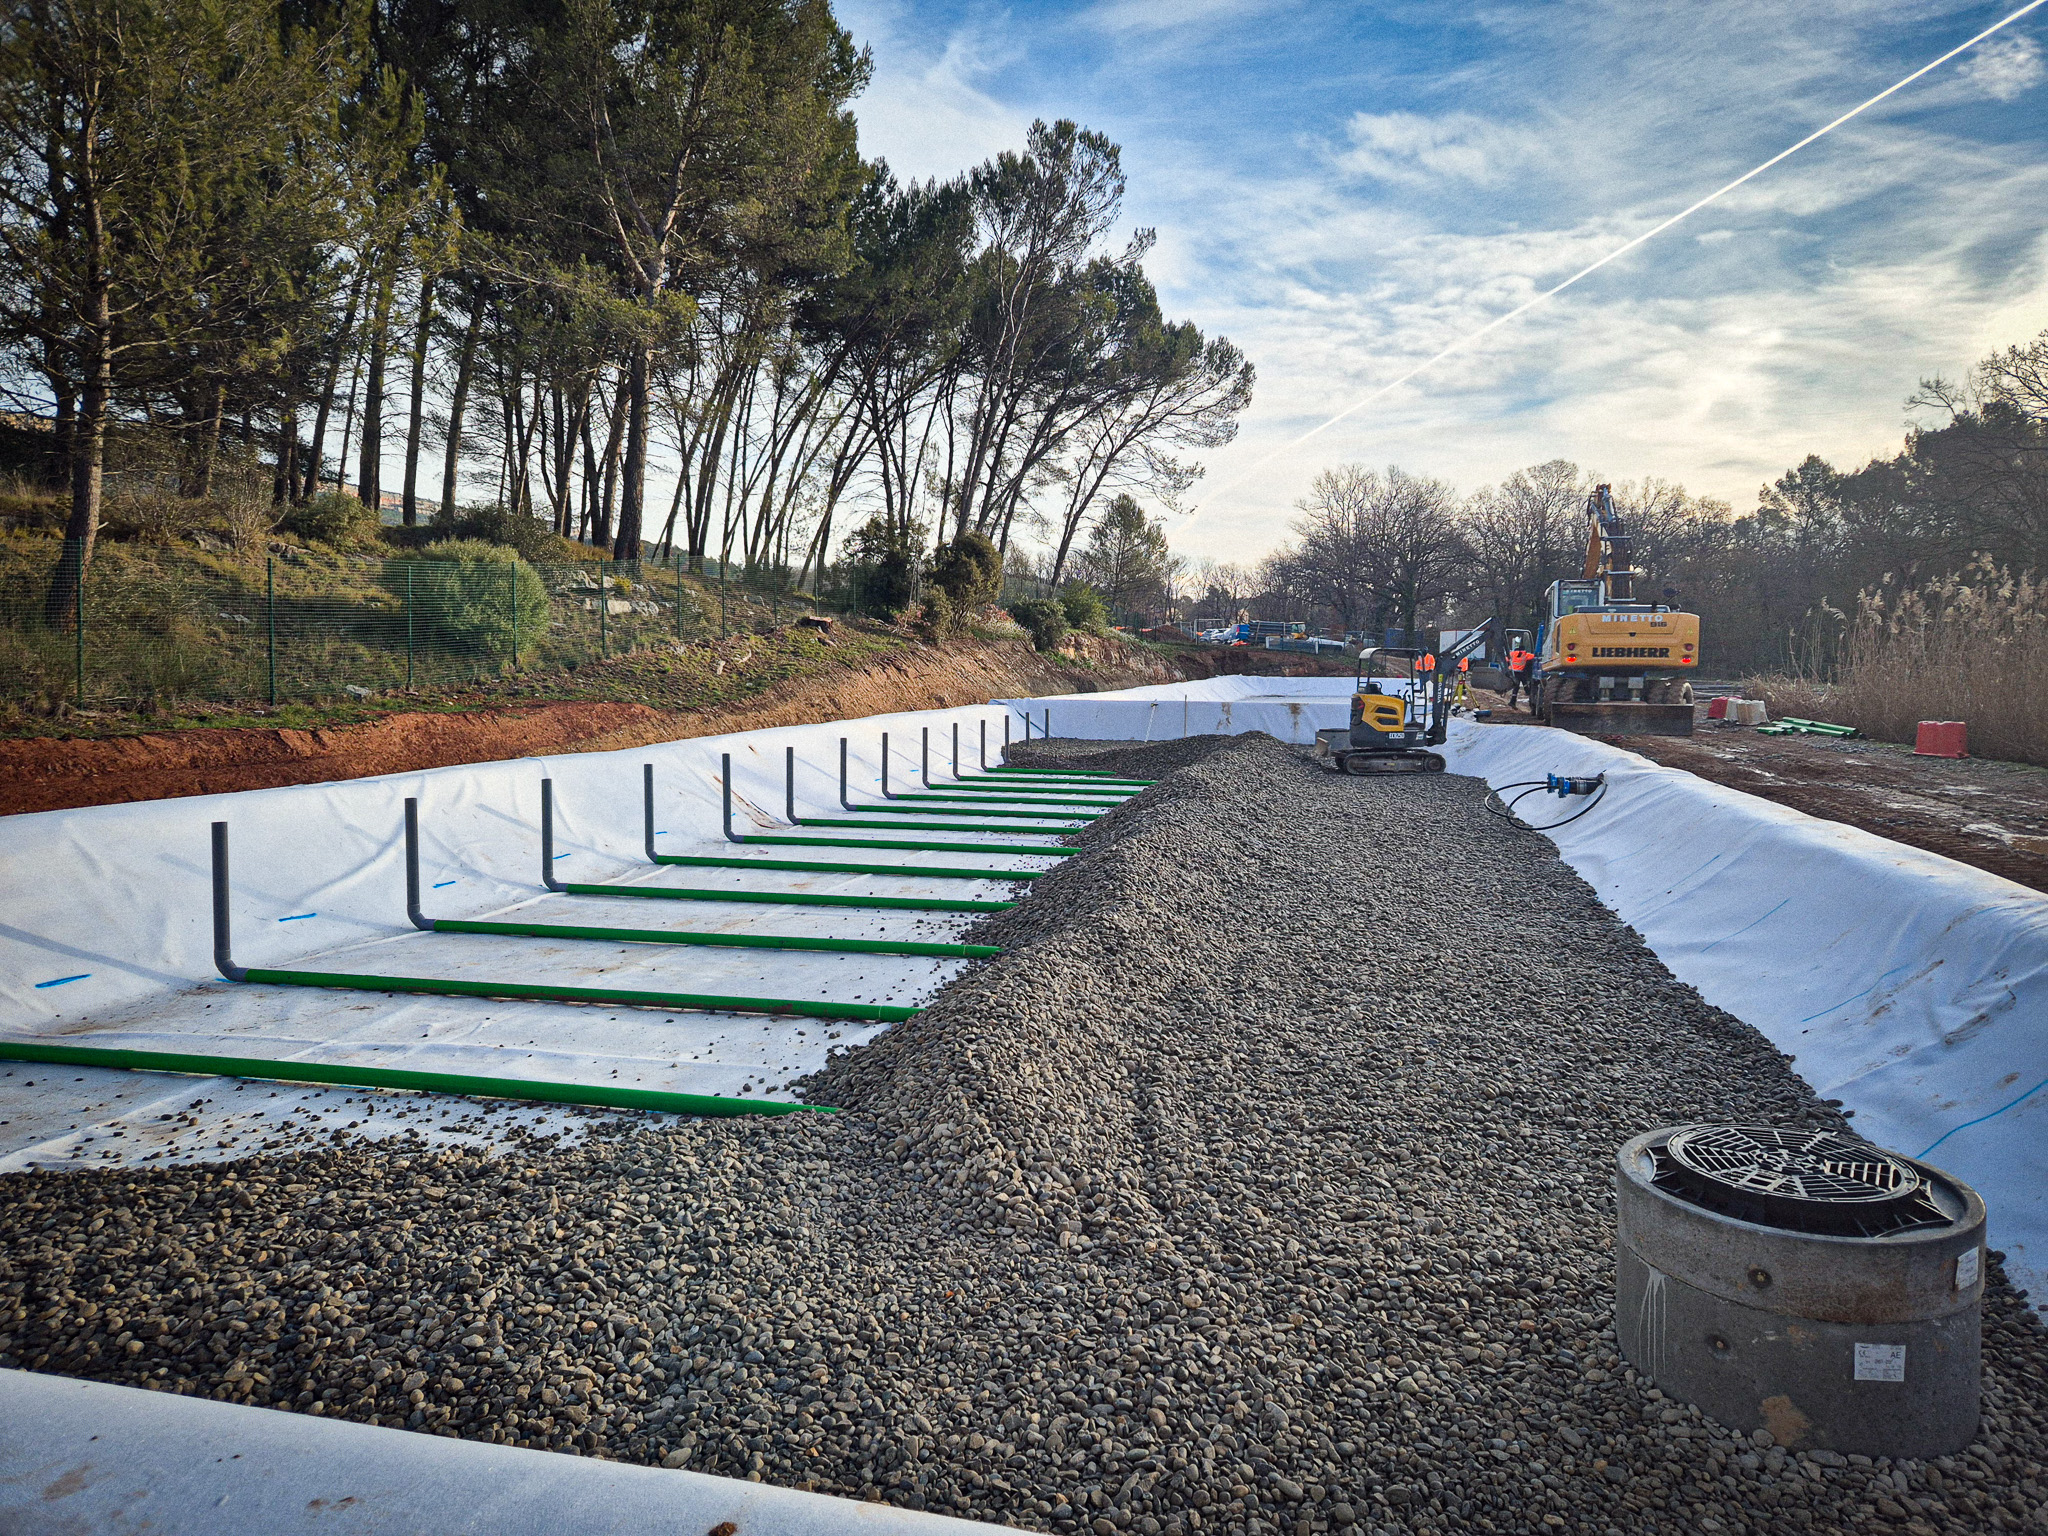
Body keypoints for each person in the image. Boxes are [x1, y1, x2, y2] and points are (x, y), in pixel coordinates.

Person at [1505, 644, 1537, 710]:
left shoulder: (1512, 653)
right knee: (1523, 682)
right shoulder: (1525, 654)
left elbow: (1506, 659)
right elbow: (1534, 656)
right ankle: (1527, 692)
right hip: (1519, 672)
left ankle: (1513, 701)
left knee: (1516, 686)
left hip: (1512, 671)